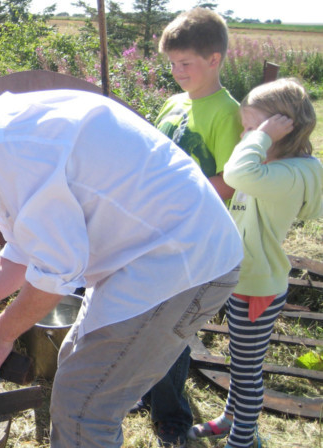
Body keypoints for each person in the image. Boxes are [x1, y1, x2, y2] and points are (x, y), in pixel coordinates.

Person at [0, 61, 243, 448]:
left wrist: (0, 335)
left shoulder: (8, 143)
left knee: (84, 408)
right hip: (148, 255)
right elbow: (27, 251)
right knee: (77, 382)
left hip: (180, 262)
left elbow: (58, 269)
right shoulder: (1, 131)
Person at [188, 78, 323, 448]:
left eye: (254, 128)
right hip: (245, 278)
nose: (247, 136)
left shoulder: (287, 174)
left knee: (246, 373)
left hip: (257, 287)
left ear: (284, 127)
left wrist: (259, 137)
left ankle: (244, 440)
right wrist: (261, 137)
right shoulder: (273, 165)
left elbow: (235, 174)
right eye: (247, 128)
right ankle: (231, 419)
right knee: (239, 362)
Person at [135, 8, 244, 447]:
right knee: (144, 314)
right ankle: (146, 390)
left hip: (192, 240)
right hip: (154, 231)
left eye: (187, 64)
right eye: (172, 64)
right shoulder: (174, 103)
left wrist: (179, 201)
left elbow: (232, 182)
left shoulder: (226, 113)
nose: (177, 73)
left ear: (214, 59)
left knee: (171, 326)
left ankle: (172, 416)